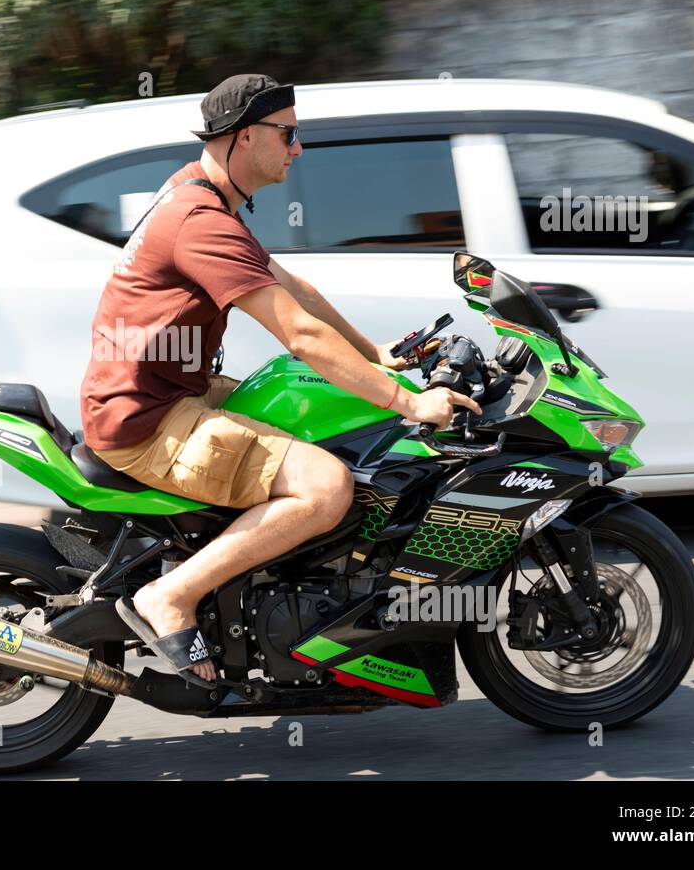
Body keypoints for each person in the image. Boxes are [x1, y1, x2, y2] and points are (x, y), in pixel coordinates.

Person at [79, 74, 479, 683]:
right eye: (288, 134)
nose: (298, 148)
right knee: (325, 486)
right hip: (147, 418)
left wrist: (374, 353)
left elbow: (296, 291)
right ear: (244, 138)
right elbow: (299, 333)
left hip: (159, 392)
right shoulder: (198, 219)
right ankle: (172, 597)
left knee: (313, 411)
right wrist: (409, 401)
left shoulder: (200, 194)